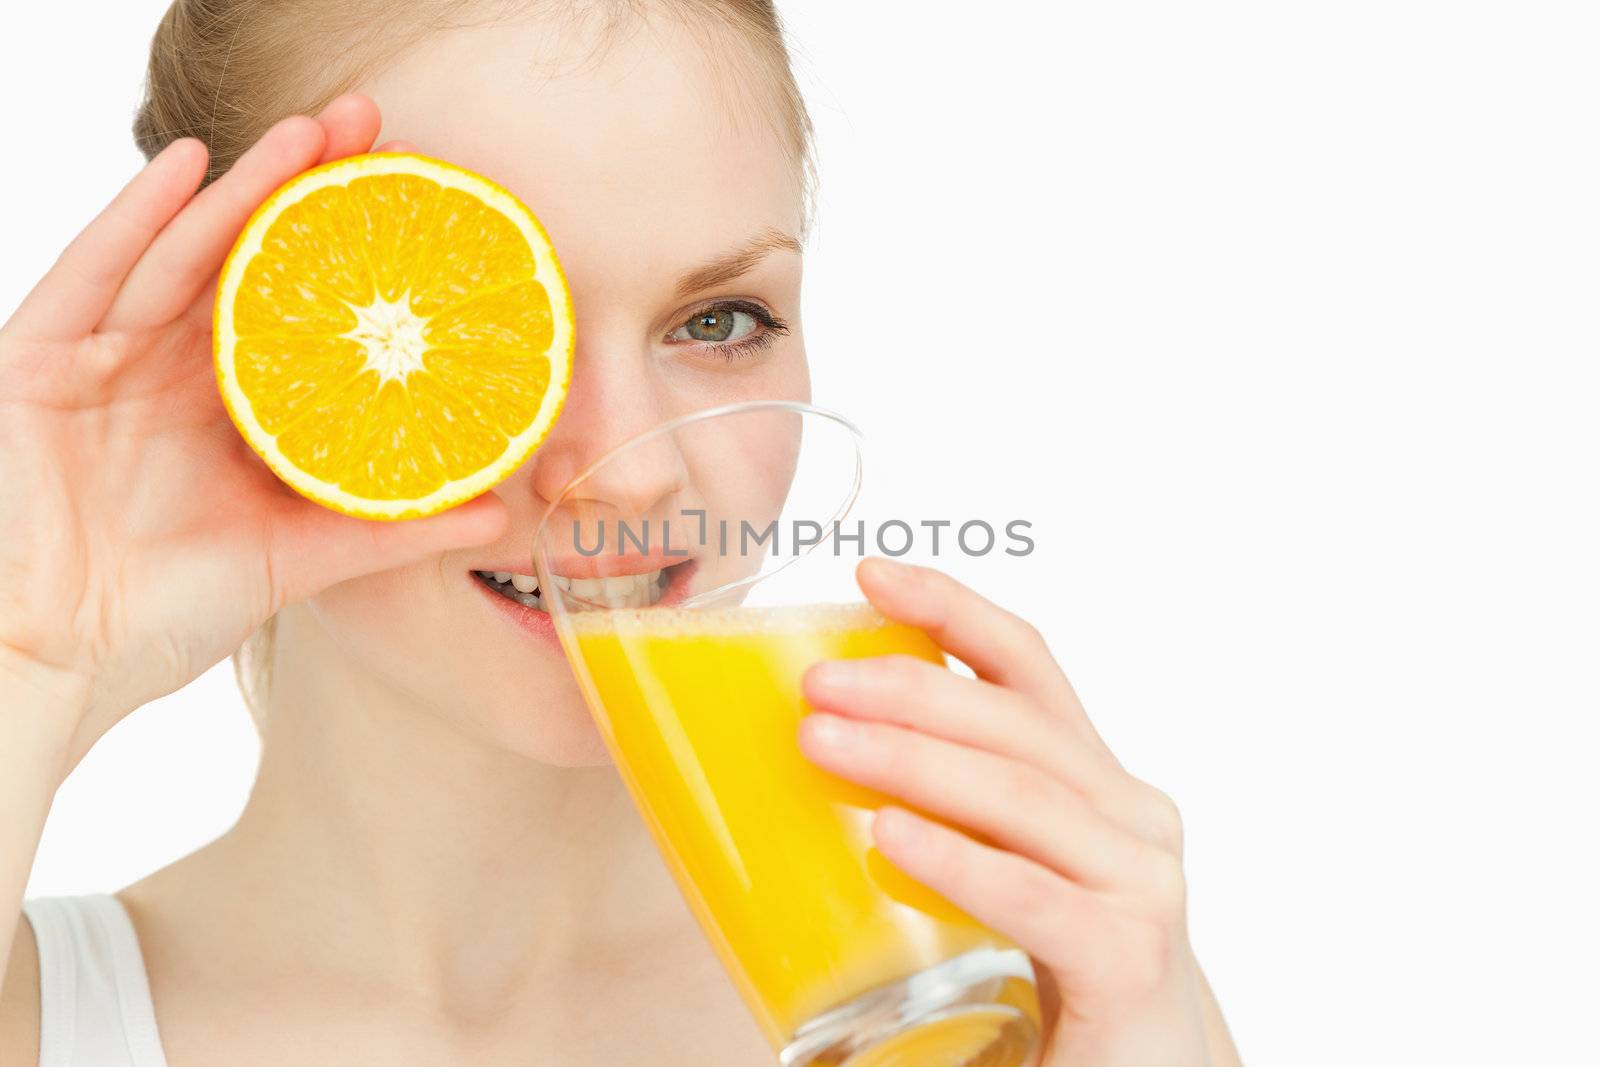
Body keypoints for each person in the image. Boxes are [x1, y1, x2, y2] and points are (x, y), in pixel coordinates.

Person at [0, 2, 1242, 1063]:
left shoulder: (1006, 1004)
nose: (620, 473)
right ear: (250, 361)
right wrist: (29, 654)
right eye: (461, 327)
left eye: (717, 321)